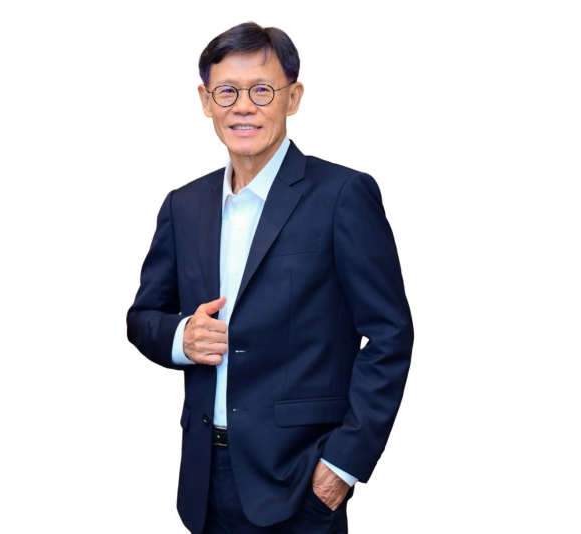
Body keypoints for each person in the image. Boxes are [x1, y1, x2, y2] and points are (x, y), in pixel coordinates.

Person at [126, 21, 414, 534]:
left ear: (293, 97)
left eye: (261, 90)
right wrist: (181, 337)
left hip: (301, 480)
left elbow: (390, 335)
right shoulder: (182, 205)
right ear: (206, 101)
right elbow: (143, 316)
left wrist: (342, 466)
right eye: (227, 92)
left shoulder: (342, 195)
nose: (243, 107)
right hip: (203, 479)